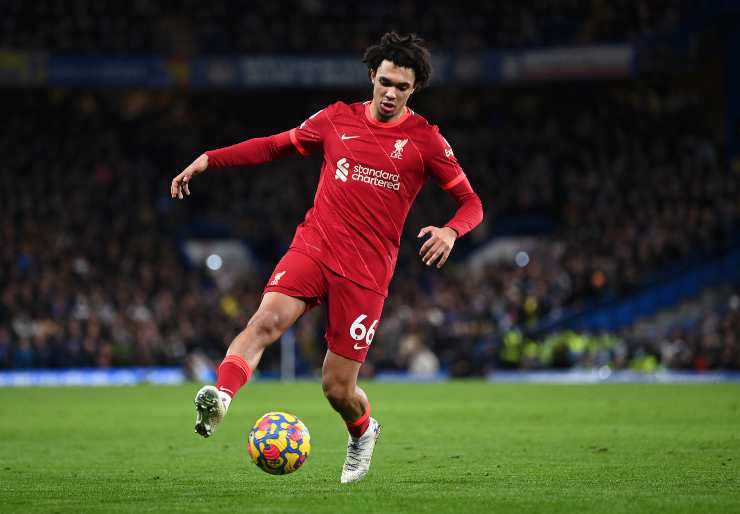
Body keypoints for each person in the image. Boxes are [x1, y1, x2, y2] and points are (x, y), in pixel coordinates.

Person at [170, 32, 483, 483]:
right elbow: (274, 145)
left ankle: (362, 431)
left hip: (367, 270)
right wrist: (208, 159)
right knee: (265, 322)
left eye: (403, 87)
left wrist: (452, 230)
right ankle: (221, 396)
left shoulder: (426, 142)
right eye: (386, 82)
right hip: (314, 245)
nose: (392, 93)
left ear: (414, 90)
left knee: (337, 388)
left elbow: (472, 203)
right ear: (373, 76)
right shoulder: (337, 119)